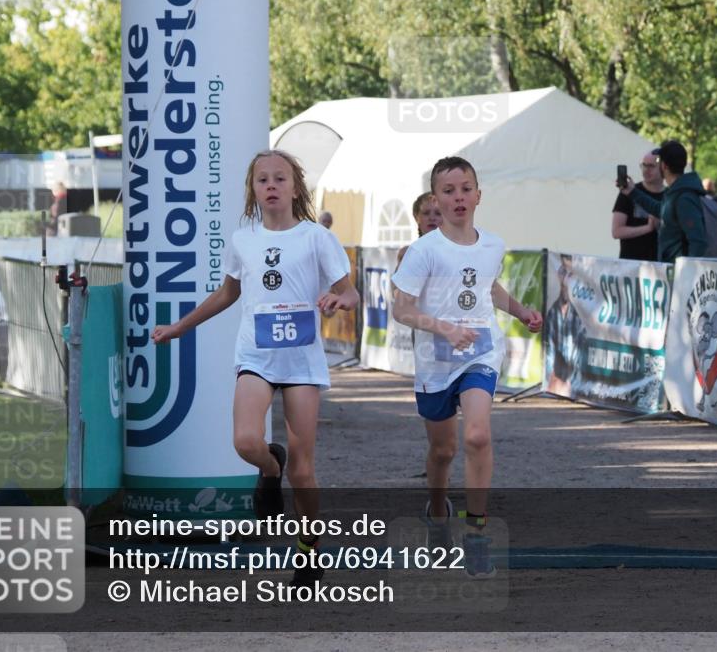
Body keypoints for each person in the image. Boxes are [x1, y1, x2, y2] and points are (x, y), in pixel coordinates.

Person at [151, 149, 359, 587]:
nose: (270, 186)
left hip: (301, 362)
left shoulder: (316, 238)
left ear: (295, 187)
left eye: (279, 178)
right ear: (252, 190)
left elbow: (351, 291)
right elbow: (226, 294)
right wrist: (180, 327)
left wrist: (340, 299)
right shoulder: (243, 238)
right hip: (256, 356)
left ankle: (308, 552)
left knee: (304, 470)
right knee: (247, 441)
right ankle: (269, 468)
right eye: (262, 180)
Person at [391, 156, 542, 577]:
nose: (458, 197)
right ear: (436, 199)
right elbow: (400, 308)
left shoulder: (493, 244)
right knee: (443, 450)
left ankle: (476, 534)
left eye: (465, 189)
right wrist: (441, 327)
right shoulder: (422, 251)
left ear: (478, 194)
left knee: (477, 435)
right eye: (449, 191)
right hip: (435, 361)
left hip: (480, 351)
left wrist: (520, 311)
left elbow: (487, 286)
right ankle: (437, 514)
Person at [620, 140, 707, 263]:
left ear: (664, 166)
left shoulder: (684, 198)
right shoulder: (675, 192)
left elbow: (698, 241)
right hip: (670, 271)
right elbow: (660, 209)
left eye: (657, 161)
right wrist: (632, 191)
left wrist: (688, 273)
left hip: (679, 274)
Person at [544, 254, 586, 397]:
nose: (565, 278)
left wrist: (571, 383)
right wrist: (550, 379)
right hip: (554, 383)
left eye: (570, 274)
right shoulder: (553, 312)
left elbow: (579, 357)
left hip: (571, 385)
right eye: (562, 272)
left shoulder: (578, 316)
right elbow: (548, 351)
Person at [611, 150, 663, 261]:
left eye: (651, 166)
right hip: (630, 267)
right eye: (643, 165)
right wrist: (647, 228)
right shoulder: (628, 191)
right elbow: (616, 231)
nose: (646, 170)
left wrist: (659, 226)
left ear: (663, 168)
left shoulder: (670, 196)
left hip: (659, 267)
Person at [397, 191, 442, 266]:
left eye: (438, 213)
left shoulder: (455, 251)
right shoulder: (407, 253)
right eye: (426, 213)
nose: (432, 218)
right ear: (416, 216)